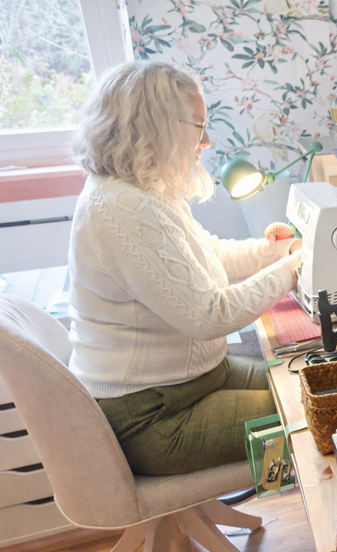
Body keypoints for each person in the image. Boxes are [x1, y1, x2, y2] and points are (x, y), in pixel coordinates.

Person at [67, 61, 302, 476]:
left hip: (193, 381)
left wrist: (275, 252)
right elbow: (209, 315)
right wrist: (292, 270)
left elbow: (208, 255)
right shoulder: (121, 208)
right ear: (156, 126)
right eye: (198, 127)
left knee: (309, 380)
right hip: (152, 415)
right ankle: (310, 495)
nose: (206, 141)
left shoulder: (145, 188)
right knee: (308, 409)